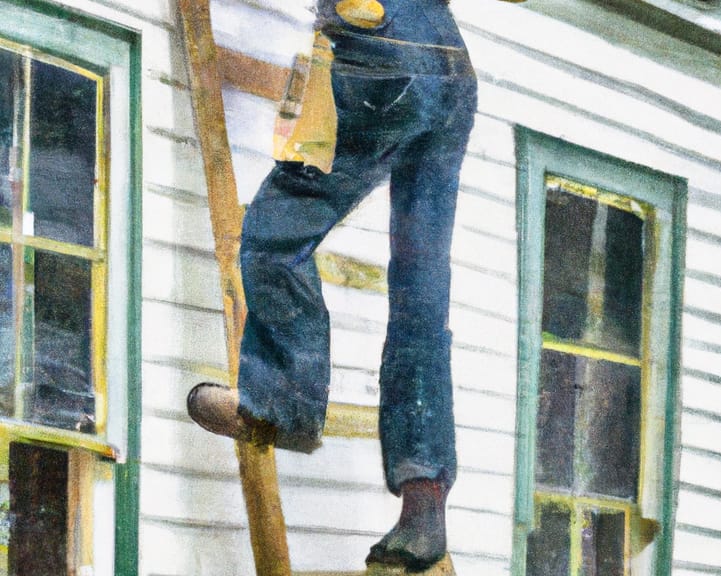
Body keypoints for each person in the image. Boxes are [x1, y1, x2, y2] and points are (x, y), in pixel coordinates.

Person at [186, 0, 521, 571]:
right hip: (450, 68)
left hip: (381, 47)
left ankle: (280, 403)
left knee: (274, 236)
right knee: (421, 292)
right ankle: (423, 506)